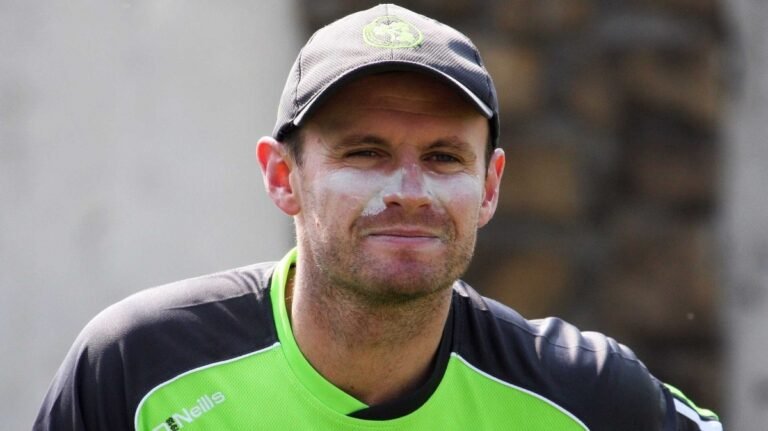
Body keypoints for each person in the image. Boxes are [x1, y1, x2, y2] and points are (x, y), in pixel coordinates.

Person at [34, 4, 722, 430]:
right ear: (282, 177)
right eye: (365, 152)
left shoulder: (584, 396)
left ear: (490, 186)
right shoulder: (139, 368)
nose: (409, 188)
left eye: (446, 157)